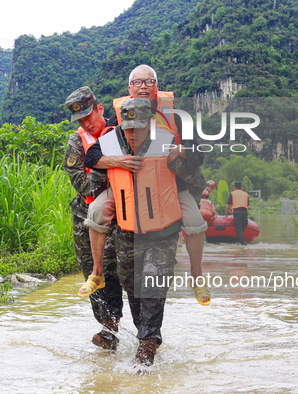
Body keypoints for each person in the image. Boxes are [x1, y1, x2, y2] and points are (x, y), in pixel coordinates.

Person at [84, 64, 211, 306]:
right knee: (96, 211)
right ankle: (97, 273)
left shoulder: (174, 117)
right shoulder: (118, 118)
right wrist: (118, 160)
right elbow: (92, 156)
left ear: (156, 87)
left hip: (167, 184)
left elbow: (199, 153)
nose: (143, 86)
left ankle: (197, 277)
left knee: (195, 220)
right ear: (130, 88)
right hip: (127, 185)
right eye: (138, 82)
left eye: (149, 82)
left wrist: (182, 150)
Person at [86, 98, 187, 367]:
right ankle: (149, 333)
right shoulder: (110, 140)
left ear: (149, 124)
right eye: (128, 128)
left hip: (162, 230)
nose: (132, 134)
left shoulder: (165, 140)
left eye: (138, 128)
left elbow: (190, 166)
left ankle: (146, 347)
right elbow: (91, 157)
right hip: (127, 230)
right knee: (131, 285)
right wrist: (117, 161)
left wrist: (184, 156)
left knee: (154, 282)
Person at [63, 86, 124, 350]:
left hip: (121, 215)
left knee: (115, 268)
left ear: (100, 109)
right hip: (85, 217)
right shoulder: (76, 143)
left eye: (89, 116)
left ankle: (117, 326)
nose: (86, 123)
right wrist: (108, 171)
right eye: (81, 120)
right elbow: (81, 181)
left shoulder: (120, 132)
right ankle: (107, 327)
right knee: (91, 271)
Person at [225, 181, 249, 246]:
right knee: (242, 228)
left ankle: (243, 244)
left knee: (239, 229)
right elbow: (247, 205)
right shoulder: (246, 194)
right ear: (241, 187)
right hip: (245, 212)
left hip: (237, 212)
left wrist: (226, 214)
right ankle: (238, 242)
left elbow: (228, 205)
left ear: (234, 187)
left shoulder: (232, 193)